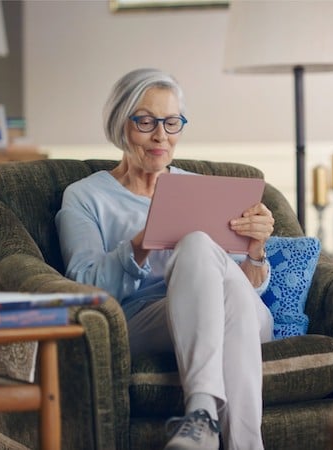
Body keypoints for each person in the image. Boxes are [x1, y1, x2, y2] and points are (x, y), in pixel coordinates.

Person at [55, 68, 275, 450]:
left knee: (209, 262)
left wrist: (255, 252)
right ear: (120, 124)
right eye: (146, 122)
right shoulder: (85, 197)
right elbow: (84, 284)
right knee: (197, 248)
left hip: (240, 312)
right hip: (144, 319)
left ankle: (202, 420)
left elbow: (240, 287)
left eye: (172, 123)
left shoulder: (197, 187)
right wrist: (141, 243)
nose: (161, 136)